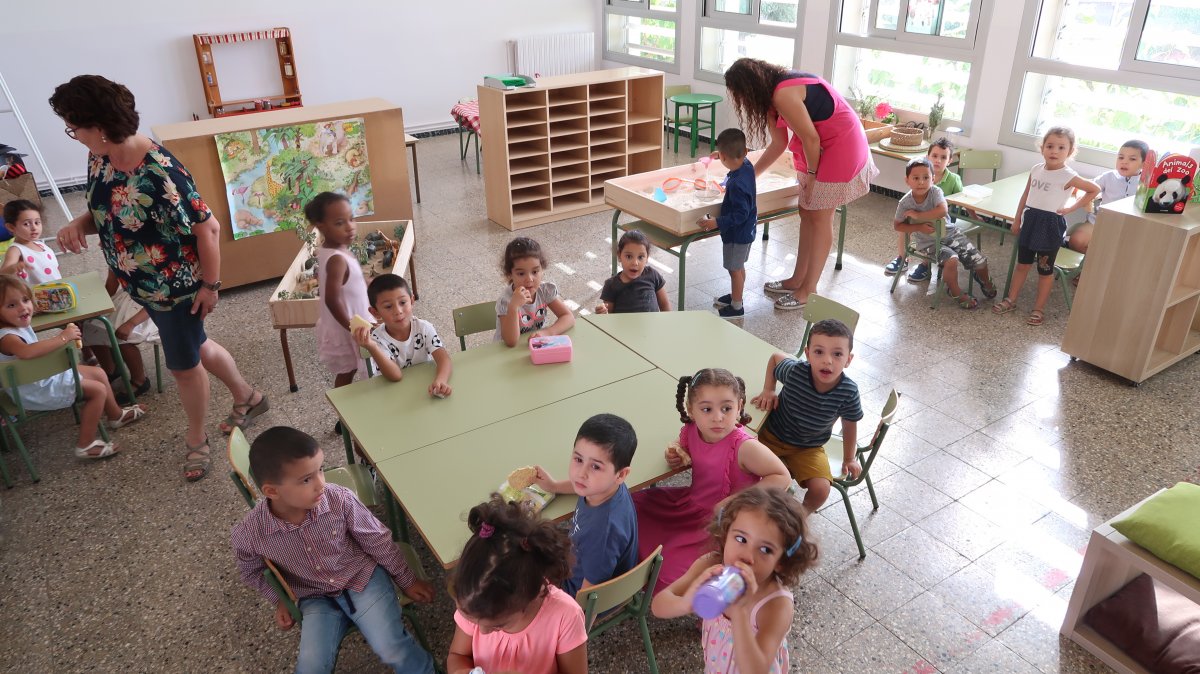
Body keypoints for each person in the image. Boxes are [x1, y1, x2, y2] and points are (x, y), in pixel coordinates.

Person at [51, 74, 266, 482]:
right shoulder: (102, 155)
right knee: (195, 346)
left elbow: (209, 228)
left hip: (177, 288)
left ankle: (197, 439)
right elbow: (111, 208)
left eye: (73, 126)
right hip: (142, 282)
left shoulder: (160, 171)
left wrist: (210, 286)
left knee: (184, 366)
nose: (73, 135)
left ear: (98, 125)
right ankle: (248, 397)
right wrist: (80, 221)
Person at [230, 426, 436, 674]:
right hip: (314, 596)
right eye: (306, 479)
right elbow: (252, 571)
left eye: (320, 470)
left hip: (362, 579)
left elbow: (377, 540)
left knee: (390, 646)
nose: (321, 485)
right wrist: (280, 600)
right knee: (310, 667)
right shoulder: (250, 533)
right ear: (272, 491)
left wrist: (406, 579)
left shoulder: (340, 499)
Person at [723, 58, 878, 311]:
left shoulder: (783, 93)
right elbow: (778, 144)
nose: (741, 102)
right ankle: (797, 279)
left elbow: (811, 137)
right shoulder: (771, 98)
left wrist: (814, 173)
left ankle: (809, 289)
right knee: (806, 211)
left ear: (749, 88)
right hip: (822, 146)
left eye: (739, 95)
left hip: (842, 145)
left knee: (820, 216)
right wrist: (749, 175)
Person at [634, 368, 790, 593]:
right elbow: (686, 448)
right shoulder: (691, 429)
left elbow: (782, 476)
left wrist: (735, 501)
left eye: (726, 408)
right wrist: (677, 454)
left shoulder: (745, 446)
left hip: (724, 522)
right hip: (689, 505)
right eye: (706, 409)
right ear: (691, 410)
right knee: (635, 506)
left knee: (669, 575)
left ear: (739, 406)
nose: (717, 417)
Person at [651, 486, 817, 674]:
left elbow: (756, 670)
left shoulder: (775, 605)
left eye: (765, 550)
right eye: (741, 538)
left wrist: (740, 613)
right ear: (725, 534)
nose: (747, 556)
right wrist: (685, 603)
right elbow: (658, 606)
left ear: (781, 561)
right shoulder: (710, 566)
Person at [0, 274, 145, 459]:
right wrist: (63, 337)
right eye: (12, 305)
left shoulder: (14, 324)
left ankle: (115, 415)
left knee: (98, 373)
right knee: (98, 390)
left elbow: (26, 325)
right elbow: (27, 352)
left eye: (26, 300)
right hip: (35, 391)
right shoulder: (7, 337)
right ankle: (85, 444)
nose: (23, 308)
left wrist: (40, 308)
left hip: (40, 378)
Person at [447, 495, 588, 674]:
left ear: (531, 596)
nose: (481, 632)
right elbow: (457, 655)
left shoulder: (565, 617)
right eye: (471, 621)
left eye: (498, 625)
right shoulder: (474, 602)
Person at [752, 319, 863, 513]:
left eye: (837, 354)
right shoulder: (796, 371)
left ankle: (799, 518)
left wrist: (849, 458)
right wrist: (768, 389)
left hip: (809, 448)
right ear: (808, 354)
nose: (827, 360)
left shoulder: (849, 391)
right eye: (819, 352)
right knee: (747, 471)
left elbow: (850, 424)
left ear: (848, 360)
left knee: (821, 489)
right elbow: (776, 357)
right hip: (770, 436)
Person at [993, 126, 1100, 326]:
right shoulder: (1036, 169)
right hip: (1030, 220)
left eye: (1061, 147)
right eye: (1050, 146)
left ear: (1070, 152)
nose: (1054, 151)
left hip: (1050, 225)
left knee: (1045, 269)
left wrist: (1070, 208)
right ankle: (1011, 299)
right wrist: (1017, 220)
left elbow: (1094, 189)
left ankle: (1038, 309)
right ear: (1042, 148)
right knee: (1022, 264)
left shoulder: (1068, 175)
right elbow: (1026, 196)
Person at [534, 413, 639, 597]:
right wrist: (554, 486)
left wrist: (575, 620)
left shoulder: (602, 534)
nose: (581, 474)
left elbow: (590, 596)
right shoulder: (605, 487)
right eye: (579, 459)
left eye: (595, 466)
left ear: (621, 475)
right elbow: (580, 484)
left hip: (575, 590)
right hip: (575, 555)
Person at [892, 158, 997, 309]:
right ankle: (955, 292)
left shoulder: (936, 192)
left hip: (952, 235)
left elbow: (943, 210)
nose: (921, 182)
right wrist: (919, 227)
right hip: (929, 243)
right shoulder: (904, 203)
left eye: (926, 178)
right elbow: (898, 226)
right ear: (907, 180)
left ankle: (985, 281)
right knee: (951, 259)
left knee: (980, 261)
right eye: (916, 178)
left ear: (933, 179)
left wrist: (918, 216)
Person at [308, 192, 370, 390]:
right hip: (348, 327)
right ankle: (343, 411)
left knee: (350, 370)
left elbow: (350, 282)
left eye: (351, 219)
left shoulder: (336, 250)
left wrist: (368, 284)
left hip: (353, 321)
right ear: (321, 226)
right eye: (339, 223)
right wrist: (352, 327)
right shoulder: (337, 259)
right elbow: (331, 299)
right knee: (349, 372)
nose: (349, 227)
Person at [355, 273, 452, 396]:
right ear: (375, 312)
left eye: (402, 302)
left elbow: (444, 360)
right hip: (392, 394)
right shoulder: (377, 339)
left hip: (421, 388)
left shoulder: (424, 327)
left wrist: (441, 380)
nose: (398, 311)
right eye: (388, 306)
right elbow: (395, 376)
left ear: (411, 301)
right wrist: (372, 347)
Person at [886, 137, 968, 281]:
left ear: (950, 161)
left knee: (933, 234)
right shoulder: (920, 176)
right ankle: (902, 258)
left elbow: (963, 201)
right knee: (905, 229)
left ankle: (925, 265)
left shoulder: (954, 179)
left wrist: (974, 215)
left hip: (942, 220)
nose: (938, 160)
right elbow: (899, 223)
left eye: (943, 157)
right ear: (927, 157)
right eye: (934, 156)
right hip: (919, 215)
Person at [698, 128, 757, 319]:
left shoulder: (737, 184)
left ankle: (737, 306)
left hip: (737, 234)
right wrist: (721, 155)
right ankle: (736, 296)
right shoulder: (747, 165)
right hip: (747, 231)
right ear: (746, 151)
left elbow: (740, 214)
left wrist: (717, 222)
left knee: (734, 269)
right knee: (738, 266)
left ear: (723, 156)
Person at [80, 270, 158, 402]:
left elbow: (159, 299)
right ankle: (111, 370)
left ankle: (139, 380)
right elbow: (112, 281)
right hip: (129, 298)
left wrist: (131, 323)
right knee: (90, 325)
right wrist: (99, 306)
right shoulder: (115, 250)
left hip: (153, 308)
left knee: (121, 334)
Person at [1067, 139, 1148, 254]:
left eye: (1132, 159)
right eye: (1121, 157)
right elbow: (1086, 187)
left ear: (1144, 163)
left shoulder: (1146, 184)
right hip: (1098, 222)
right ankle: (1088, 267)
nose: (1124, 162)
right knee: (1077, 241)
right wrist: (1081, 196)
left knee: (1125, 250)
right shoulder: (1108, 176)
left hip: (1127, 227)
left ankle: (1101, 265)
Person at [495, 236, 575, 347]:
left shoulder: (545, 290)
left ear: (542, 269)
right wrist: (513, 307)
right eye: (521, 273)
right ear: (510, 275)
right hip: (507, 353)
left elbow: (568, 317)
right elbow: (511, 342)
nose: (529, 279)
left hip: (535, 346)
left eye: (535, 271)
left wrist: (548, 332)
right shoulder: (506, 300)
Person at [595, 230, 670, 314]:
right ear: (619, 256)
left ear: (647, 258)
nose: (635, 263)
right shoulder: (611, 285)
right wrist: (602, 312)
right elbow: (608, 316)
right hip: (623, 327)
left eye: (640, 257)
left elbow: (665, 307)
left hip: (652, 327)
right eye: (629, 256)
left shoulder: (653, 275)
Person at [0, 200, 60, 284]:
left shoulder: (41, 245)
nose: (34, 227)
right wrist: (14, 267)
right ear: (11, 227)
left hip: (57, 290)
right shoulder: (16, 249)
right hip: (38, 294)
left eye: (37, 222)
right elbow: (3, 273)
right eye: (26, 224)